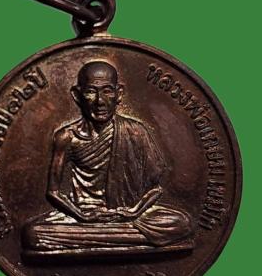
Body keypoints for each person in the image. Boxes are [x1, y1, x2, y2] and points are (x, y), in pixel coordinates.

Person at [23, 61, 193, 252]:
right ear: (77, 95)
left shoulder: (135, 131)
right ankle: (124, 238)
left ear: (118, 94)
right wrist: (82, 216)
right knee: (33, 233)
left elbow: (156, 188)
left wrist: (134, 211)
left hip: (129, 214)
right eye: (91, 91)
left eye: (107, 91)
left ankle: (101, 238)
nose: (100, 101)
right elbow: (53, 192)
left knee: (181, 223)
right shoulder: (66, 137)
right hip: (82, 216)